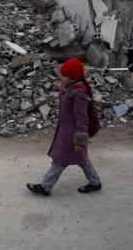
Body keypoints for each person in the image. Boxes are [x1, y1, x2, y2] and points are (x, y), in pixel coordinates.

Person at [27, 57, 102, 196]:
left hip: (72, 136)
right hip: (66, 133)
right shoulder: (70, 89)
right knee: (83, 160)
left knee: (59, 161)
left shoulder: (78, 94)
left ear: (73, 78)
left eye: (64, 76)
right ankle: (95, 182)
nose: (61, 78)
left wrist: (80, 140)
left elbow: (82, 119)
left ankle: (45, 187)